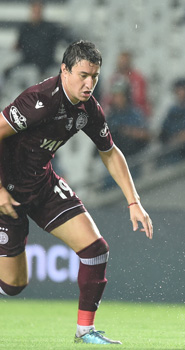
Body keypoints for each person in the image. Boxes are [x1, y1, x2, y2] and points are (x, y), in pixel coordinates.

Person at [0, 40, 154, 345]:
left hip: (42, 185)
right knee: (14, 285)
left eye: (94, 77)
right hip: (8, 192)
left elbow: (109, 152)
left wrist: (133, 201)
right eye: (83, 75)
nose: (89, 84)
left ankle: (85, 330)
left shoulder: (88, 110)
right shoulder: (38, 100)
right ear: (64, 70)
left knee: (96, 250)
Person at [3, 0, 72, 81]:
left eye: (38, 9)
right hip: (27, 62)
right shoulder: (25, 28)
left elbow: (66, 39)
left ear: (42, 10)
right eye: (34, 9)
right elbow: (18, 46)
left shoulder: (50, 28)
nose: (36, 12)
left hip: (46, 63)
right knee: (7, 72)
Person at [158, 78, 185, 166]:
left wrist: (174, 141)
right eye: (178, 90)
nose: (180, 93)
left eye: (182, 90)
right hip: (170, 154)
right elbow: (162, 132)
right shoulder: (173, 110)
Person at [102, 51, 152, 119]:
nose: (122, 64)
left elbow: (140, 99)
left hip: (134, 114)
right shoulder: (114, 78)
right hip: (116, 113)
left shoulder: (137, 78)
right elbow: (108, 98)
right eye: (121, 62)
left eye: (124, 62)